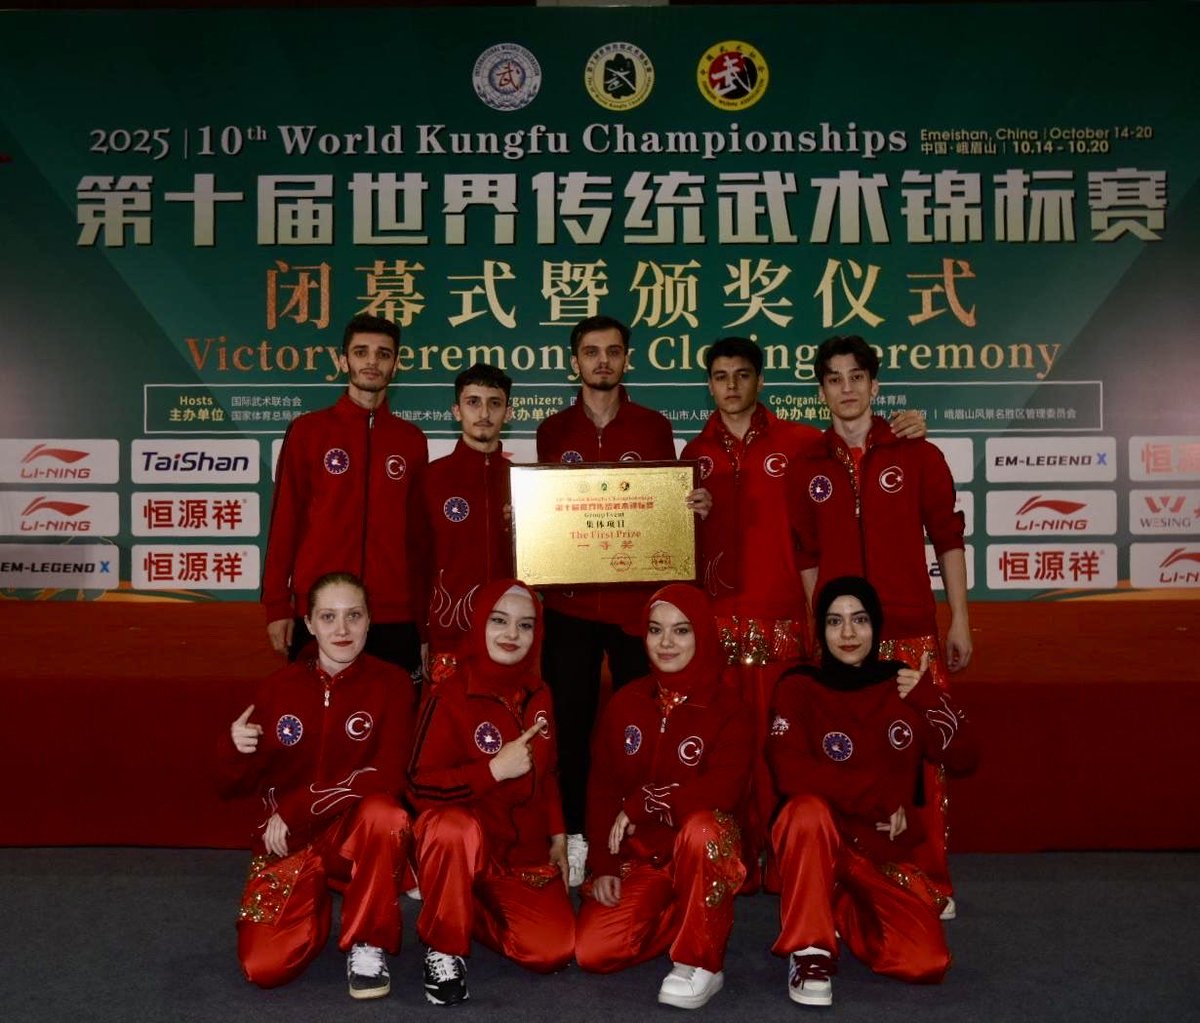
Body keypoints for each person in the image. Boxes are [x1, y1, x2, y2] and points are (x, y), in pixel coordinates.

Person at [682, 336, 926, 890]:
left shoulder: (803, 445)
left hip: (786, 629)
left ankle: (792, 854)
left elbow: (856, 458)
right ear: (709, 384)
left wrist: (904, 427)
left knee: (785, 750)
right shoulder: (691, 457)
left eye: (743, 375)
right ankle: (729, 858)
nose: (732, 386)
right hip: (719, 632)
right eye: (720, 376)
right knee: (726, 753)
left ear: (761, 380)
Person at [789, 334, 969, 913]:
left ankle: (932, 878)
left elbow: (948, 538)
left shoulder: (919, 455)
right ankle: (857, 873)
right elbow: (807, 556)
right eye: (834, 379)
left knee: (922, 757)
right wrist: (820, 631)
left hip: (911, 631)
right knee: (852, 755)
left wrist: (961, 619)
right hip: (844, 637)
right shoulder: (806, 467)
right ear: (821, 391)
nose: (847, 389)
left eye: (856, 377)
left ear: (875, 385)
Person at [535, 314, 710, 885]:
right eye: (591, 352)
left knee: (642, 726)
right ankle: (582, 838)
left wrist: (688, 510)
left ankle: (642, 833)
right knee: (572, 725)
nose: (602, 361)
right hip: (571, 607)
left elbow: (664, 511)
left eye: (612, 351)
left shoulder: (655, 427)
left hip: (638, 610)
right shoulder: (552, 431)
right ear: (575, 362)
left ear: (627, 359)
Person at [765, 576, 977, 1006]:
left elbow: (966, 758)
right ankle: (811, 949)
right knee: (805, 811)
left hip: (879, 853)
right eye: (834, 621)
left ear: (875, 625)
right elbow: (790, 771)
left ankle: (839, 908)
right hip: (817, 843)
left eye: (859, 620)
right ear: (820, 631)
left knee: (926, 961)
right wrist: (875, 796)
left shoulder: (902, 684)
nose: (847, 634)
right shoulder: (798, 686)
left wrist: (928, 699)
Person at [217, 572, 414, 999]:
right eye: (328, 617)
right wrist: (236, 749)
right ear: (308, 623)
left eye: (353, 616)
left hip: (351, 836)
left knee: (387, 815)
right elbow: (230, 785)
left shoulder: (394, 684)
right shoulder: (277, 688)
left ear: (369, 621)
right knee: (263, 967)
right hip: (287, 845)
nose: (341, 630)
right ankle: (313, 903)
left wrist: (297, 807)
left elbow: (389, 774)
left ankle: (369, 939)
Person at [575, 583, 753, 1010]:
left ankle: (702, 960)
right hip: (644, 858)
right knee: (593, 952)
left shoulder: (729, 708)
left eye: (681, 630)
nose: (666, 642)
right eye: (656, 630)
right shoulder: (626, 702)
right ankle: (690, 917)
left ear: (702, 635)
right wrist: (604, 863)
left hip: (698, 848)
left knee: (704, 826)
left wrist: (644, 804)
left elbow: (723, 790)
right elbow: (602, 786)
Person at [407, 579, 574, 1005]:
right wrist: (493, 771)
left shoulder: (540, 693)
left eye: (525, 625)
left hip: (521, 857)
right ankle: (444, 944)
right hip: (467, 846)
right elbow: (418, 783)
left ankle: (459, 906)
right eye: (499, 621)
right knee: (448, 827)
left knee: (551, 952)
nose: (511, 635)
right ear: (479, 624)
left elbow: (549, 772)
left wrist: (558, 833)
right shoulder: (449, 693)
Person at [262, 312, 428, 673]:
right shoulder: (308, 431)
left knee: (394, 722)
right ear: (343, 361)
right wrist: (278, 606)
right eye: (361, 352)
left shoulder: (411, 440)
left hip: (394, 611)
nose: (372, 362)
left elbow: (418, 537)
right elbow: (285, 520)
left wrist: (422, 615)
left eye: (383, 354)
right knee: (319, 722)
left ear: (395, 365)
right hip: (322, 609)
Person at [415, 363, 515, 665]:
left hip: (510, 633)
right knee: (448, 712)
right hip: (447, 632)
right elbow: (417, 560)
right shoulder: (431, 478)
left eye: (494, 403)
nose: (484, 413)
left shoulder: (523, 482)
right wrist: (422, 633)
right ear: (457, 411)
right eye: (473, 402)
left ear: (508, 413)